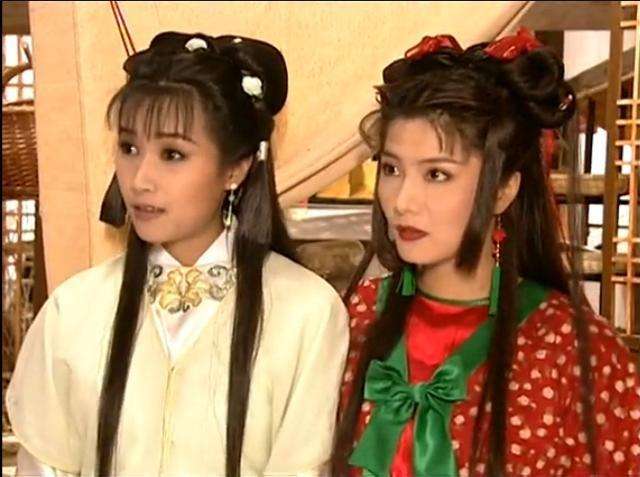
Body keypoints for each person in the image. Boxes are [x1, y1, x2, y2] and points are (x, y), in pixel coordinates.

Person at [7, 31, 349, 477]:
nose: (140, 179)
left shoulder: (307, 312)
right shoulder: (73, 311)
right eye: (129, 148)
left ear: (236, 168)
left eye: (172, 154)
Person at [333, 28, 640, 477]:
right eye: (392, 169)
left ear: (503, 190)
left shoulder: (573, 348)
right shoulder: (355, 316)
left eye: (437, 174)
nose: (402, 201)